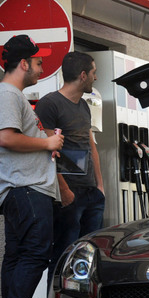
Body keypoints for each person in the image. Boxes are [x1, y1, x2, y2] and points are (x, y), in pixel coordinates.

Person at [0, 35, 64, 298]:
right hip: (26, 188)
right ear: (23, 63)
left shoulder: (14, 96)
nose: (41, 68)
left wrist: (46, 141)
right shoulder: (9, 94)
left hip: (21, 189)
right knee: (36, 252)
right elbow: (7, 138)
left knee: (17, 253)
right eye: (38, 62)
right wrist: (47, 142)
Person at [35, 52, 104, 281]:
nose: (96, 77)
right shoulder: (49, 104)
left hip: (91, 193)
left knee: (89, 260)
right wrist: (64, 190)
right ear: (83, 75)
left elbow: (90, 145)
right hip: (68, 195)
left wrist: (100, 187)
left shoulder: (84, 105)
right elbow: (46, 150)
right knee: (63, 259)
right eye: (94, 72)